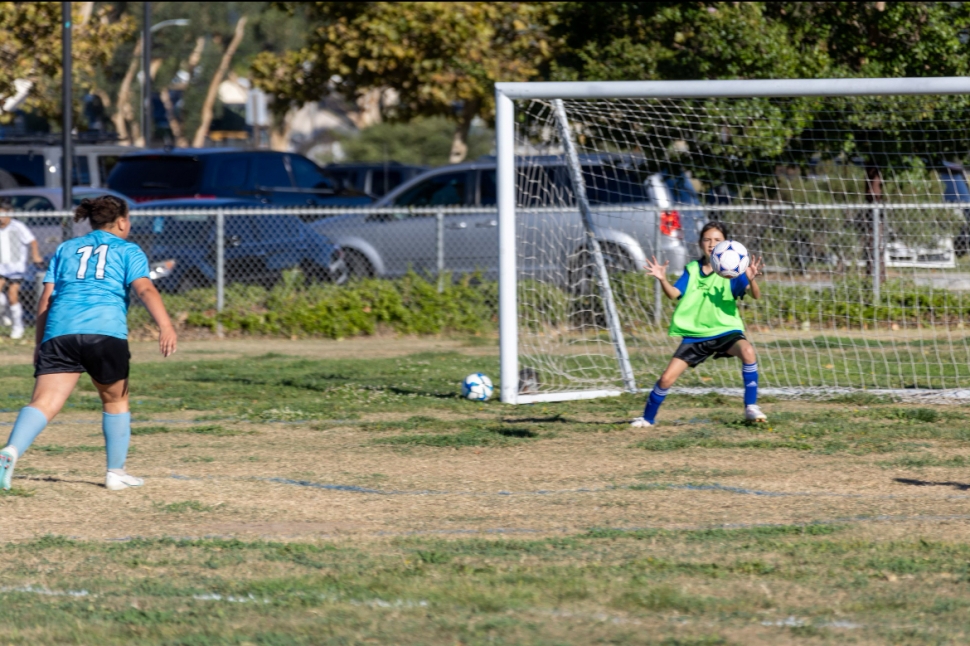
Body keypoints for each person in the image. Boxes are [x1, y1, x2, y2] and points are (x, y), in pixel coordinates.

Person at [0, 195, 177, 491]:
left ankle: (10, 452)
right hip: (104, 332)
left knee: (44, 402)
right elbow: (145, 289)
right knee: (115, 400)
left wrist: (39, 344)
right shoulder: (129, 250)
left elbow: (46, 299)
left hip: (60, 332)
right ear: (122, 221)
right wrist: (166, 325)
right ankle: (115, 473)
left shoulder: (66, 248)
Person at [632, 221, 766, 427]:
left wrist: (752, 279)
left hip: (725, 330)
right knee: (667, 378)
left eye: (717, 240)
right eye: (707, 239)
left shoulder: (733, 272)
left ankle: (751, 407)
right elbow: (674, 294)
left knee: (747, 351)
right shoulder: (692, 270)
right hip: (696, 335)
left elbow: (755, 295)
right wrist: (662, 279)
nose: (712, 244)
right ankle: (647, 419)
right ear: (700, 243)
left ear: (726, 244)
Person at [0, 198, 44, 340]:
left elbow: (32, 241)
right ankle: (4, 312)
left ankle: (17, 326)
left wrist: (36, 255)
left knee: (13, 295)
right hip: (1, 267)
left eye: (3, 214)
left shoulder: (17, 226)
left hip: (15, 267)